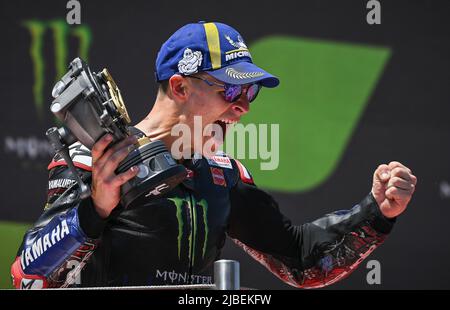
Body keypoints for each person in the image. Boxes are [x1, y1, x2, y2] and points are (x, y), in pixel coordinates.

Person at [11, 21, 416, 289]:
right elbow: (27, 276)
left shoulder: (223, 175)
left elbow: (302, 263)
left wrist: (377, 211)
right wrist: (96, 210)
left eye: (250, 93)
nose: (244, 108)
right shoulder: (94, 160)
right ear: (181, 87)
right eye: (231, 91)